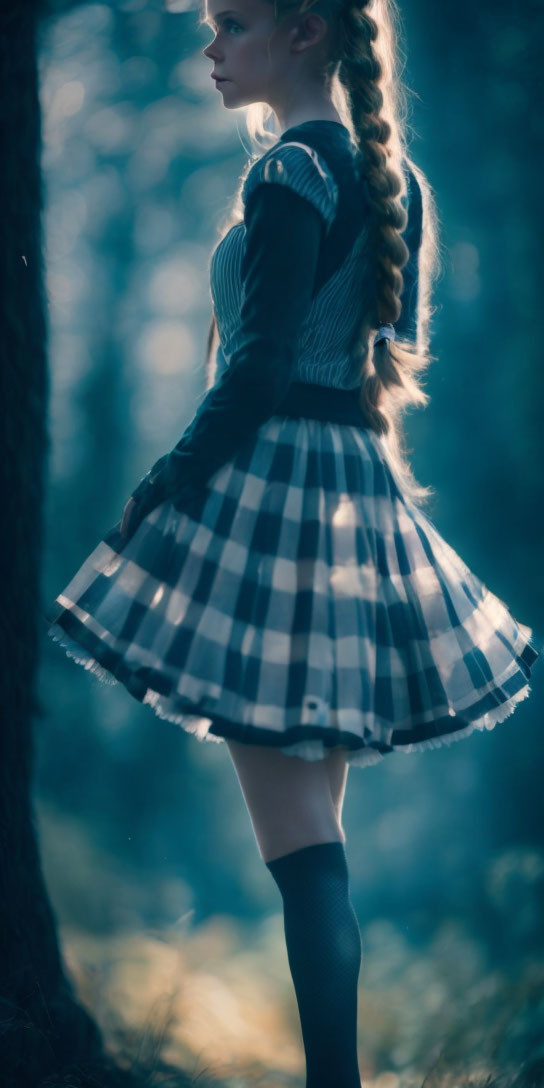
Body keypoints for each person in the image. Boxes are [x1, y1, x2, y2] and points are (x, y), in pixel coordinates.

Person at [44, 0, 542, 1084]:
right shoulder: (393, 181)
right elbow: (358, 364)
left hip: (270, 498)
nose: (212, 48)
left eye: (233, 25)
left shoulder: (288, 176)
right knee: (318, 841)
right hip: (348, 502)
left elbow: (256, 367)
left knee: (305, 855)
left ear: (305, 32)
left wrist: (166, 484)